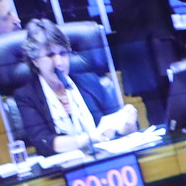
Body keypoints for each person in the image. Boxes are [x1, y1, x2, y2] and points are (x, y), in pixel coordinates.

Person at [12, 18, 136, 158]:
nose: (59, 62)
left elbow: (115, 126)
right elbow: (44, 142)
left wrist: (128, 124)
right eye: (50, 55)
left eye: (63, 53)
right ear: (35, 60)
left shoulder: (90, 81)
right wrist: (88, 138)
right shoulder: (27, 96)